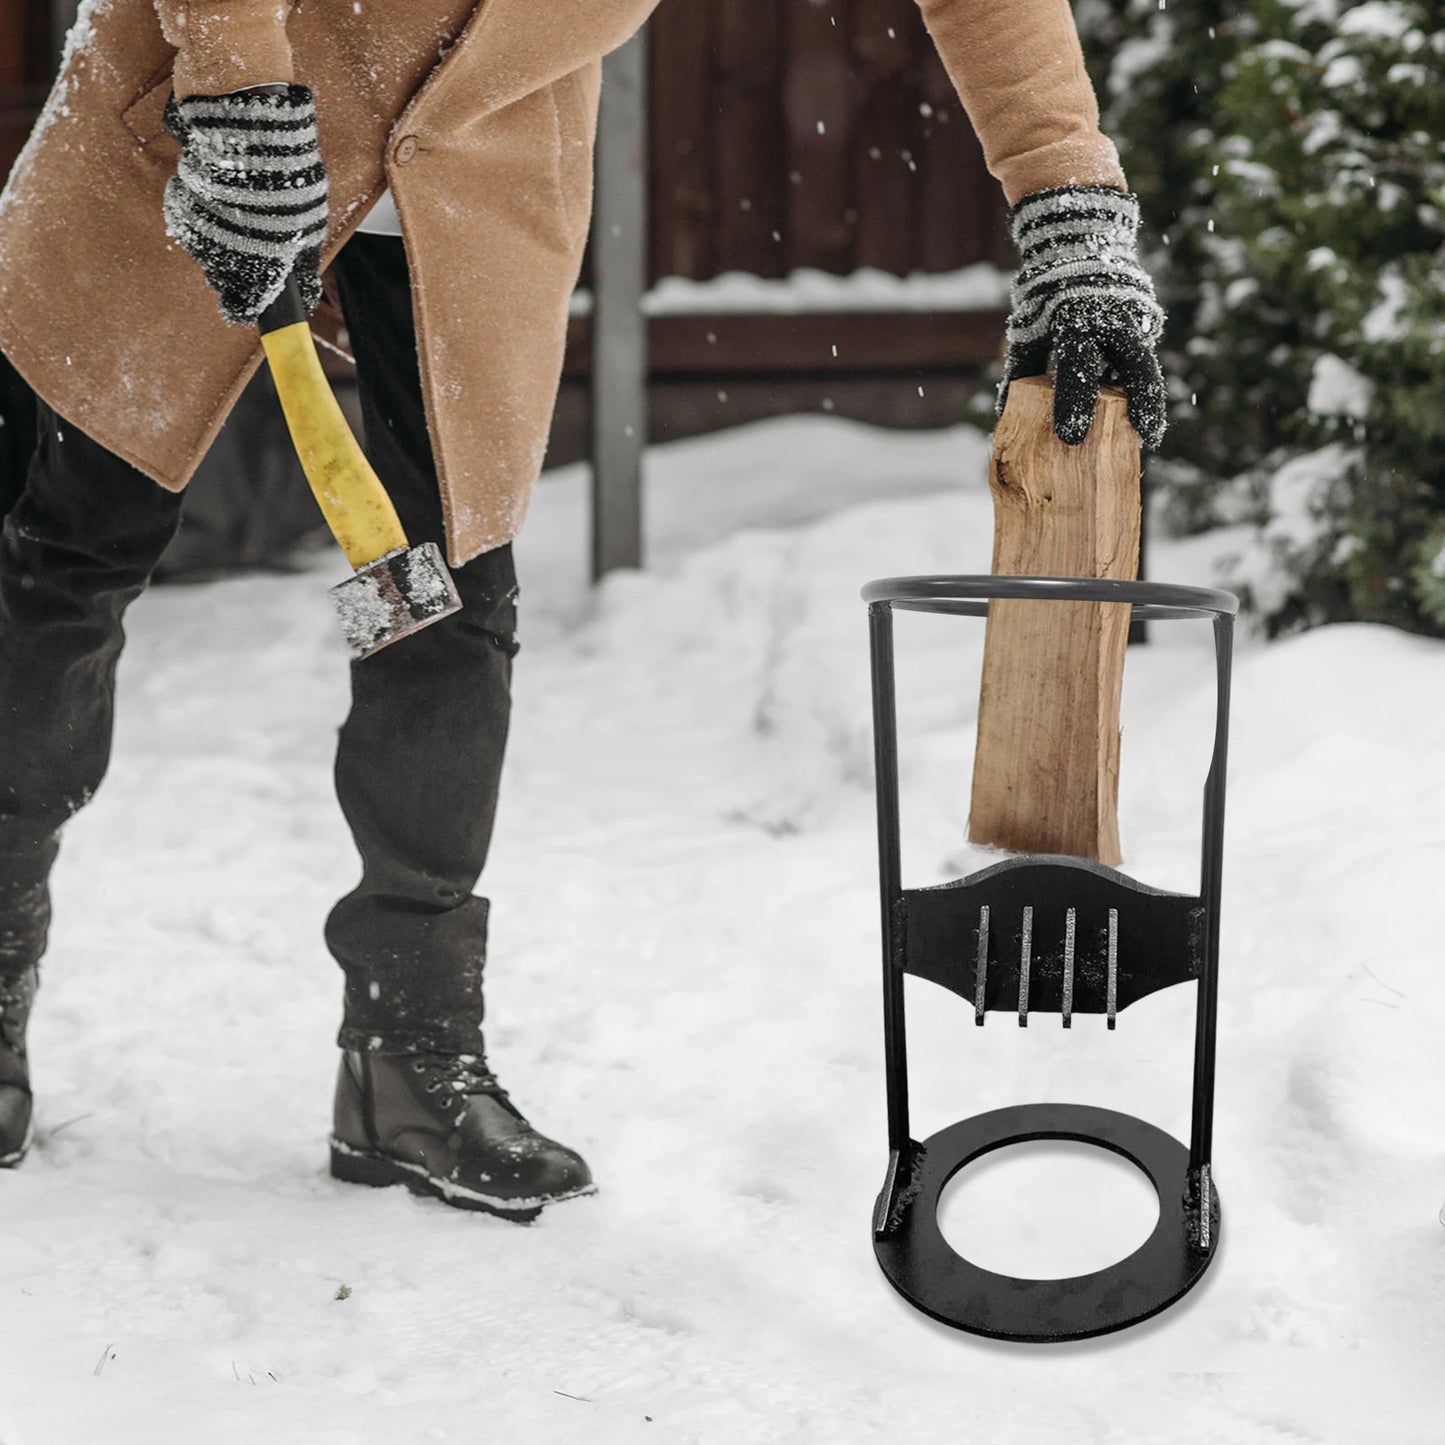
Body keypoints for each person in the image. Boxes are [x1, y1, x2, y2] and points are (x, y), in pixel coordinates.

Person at [0, 0, 1165, 1218]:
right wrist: (235, 88)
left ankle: (409, 1059)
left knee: (447, 605)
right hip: (219, 114)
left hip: (479, 167)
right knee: (72, 556)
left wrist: (1064, 198)